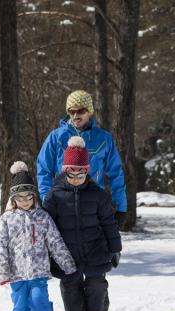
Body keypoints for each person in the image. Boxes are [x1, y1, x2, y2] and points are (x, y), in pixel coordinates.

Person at [43, 136, 122, 311]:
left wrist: (115, 248)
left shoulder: (98, 195)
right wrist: (46, 253)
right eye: (72, 174)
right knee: (71, 288)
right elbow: (47, 227)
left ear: (87, 172)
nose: (77, 179)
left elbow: (108, 223)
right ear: (65, 172)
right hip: (66, 252)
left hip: (95, 248)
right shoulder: (54, 196)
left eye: (81, 174)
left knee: (97, 283)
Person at [0, 161, 77, 311]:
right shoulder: (7, 219)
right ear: (13, 199)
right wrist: (2, 272)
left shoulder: (42, 217)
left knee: (40, 302)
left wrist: (67, 263)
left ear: (34, 196)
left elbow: (55, 242)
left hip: (39, 272)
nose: (24, 201)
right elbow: (0, 247)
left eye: (28, 196)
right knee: (20, 306)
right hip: (16, 274)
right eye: (20, 197)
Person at [36, 90, 127, 227]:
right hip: (62, 204)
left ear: (89, 112)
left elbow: (116, 174)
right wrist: (47, 201)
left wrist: (121, 207)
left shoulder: (104, 138)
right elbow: (44, 170)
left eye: (80, 111)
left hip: (94, 205)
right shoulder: (56, 137)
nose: (75, 115)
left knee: (96, 245)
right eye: (72, 112)